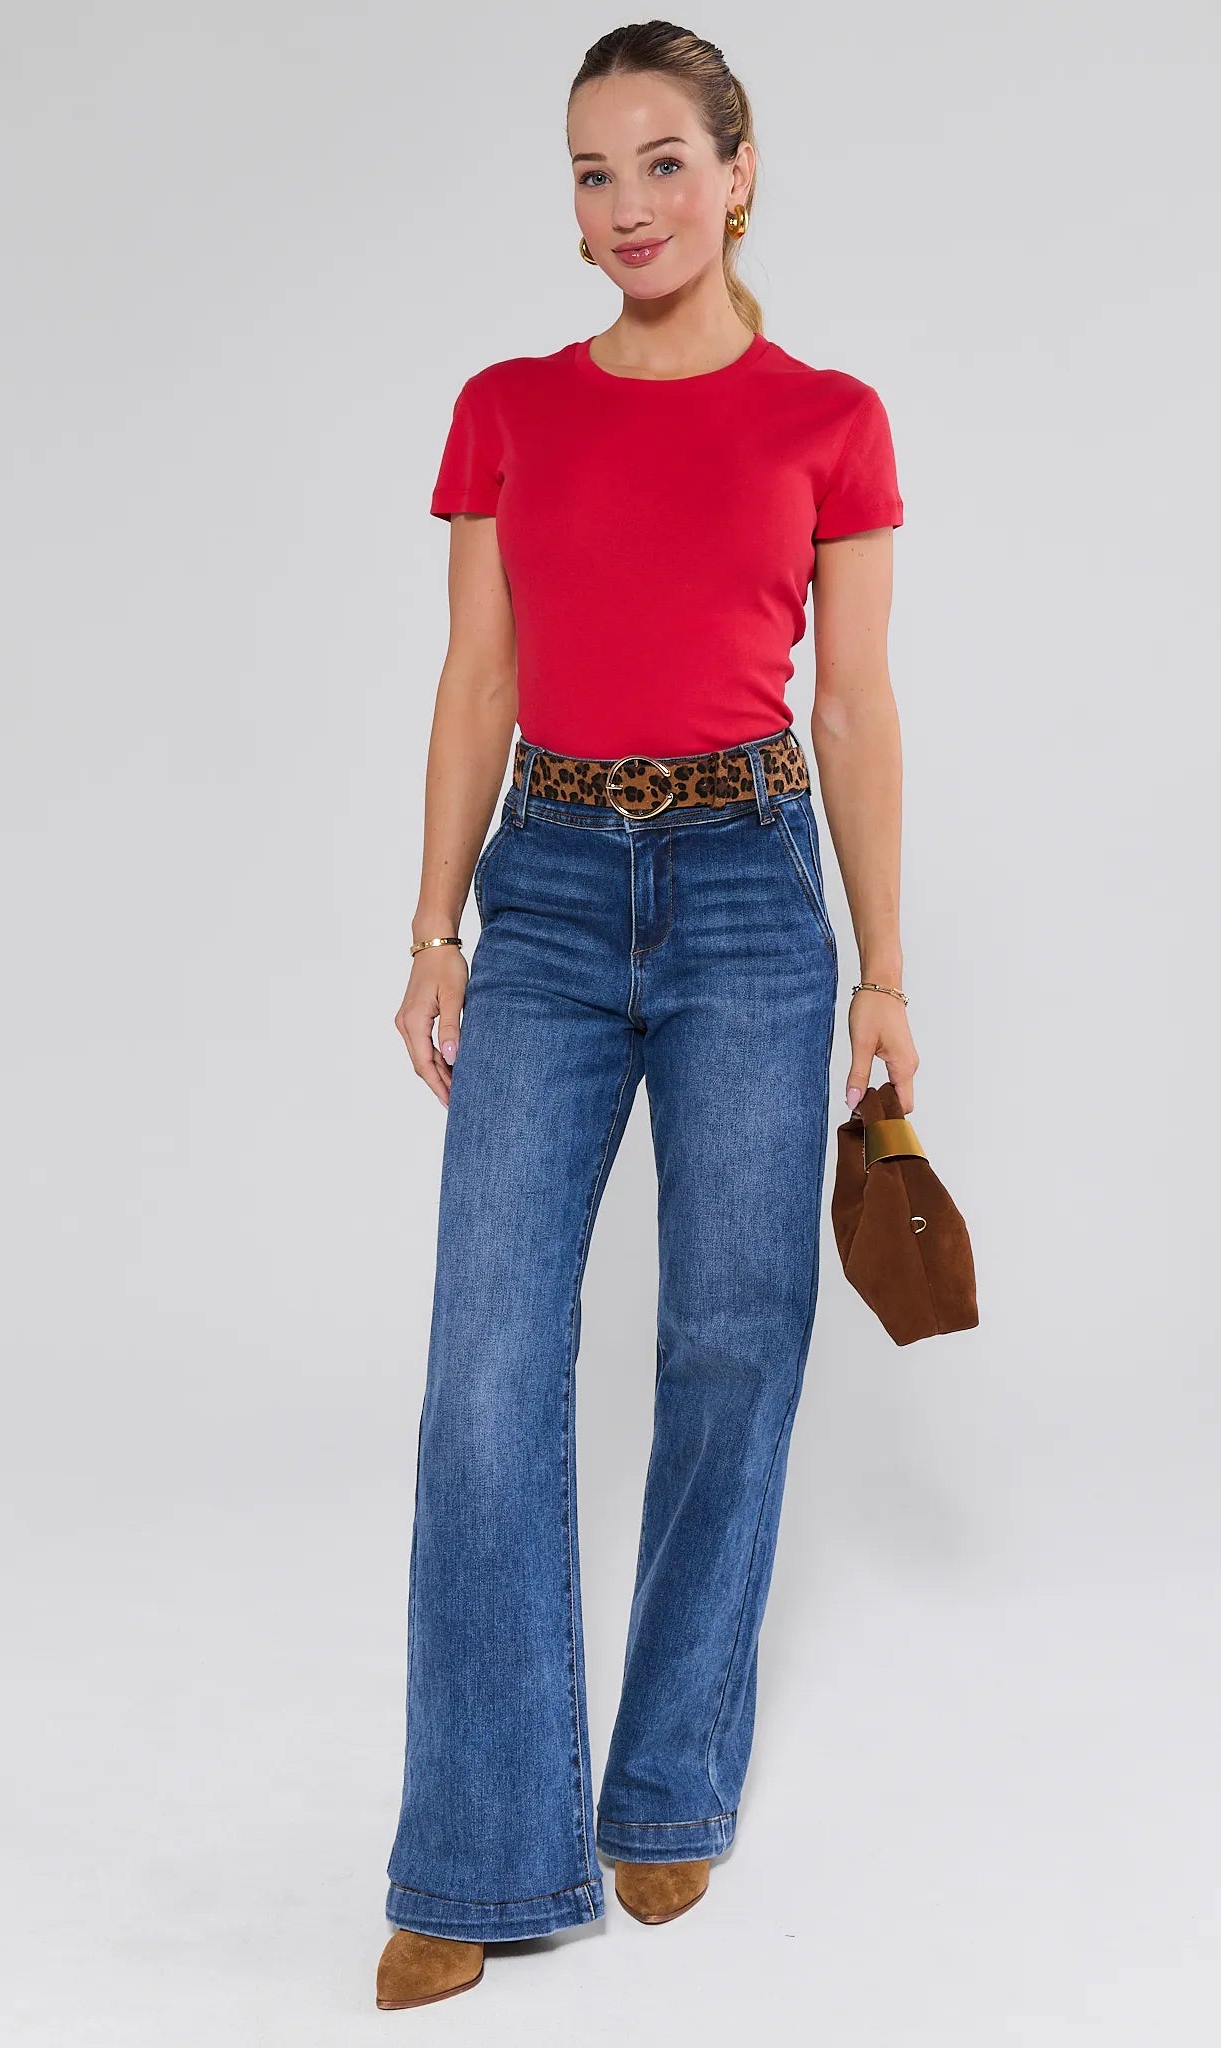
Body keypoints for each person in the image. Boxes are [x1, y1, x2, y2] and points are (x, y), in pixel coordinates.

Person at [376, 21, 918, 2011]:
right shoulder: (508, 407)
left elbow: (849, 704)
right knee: (488, 1369)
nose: (628, 208)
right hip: (541, 892)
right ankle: (482, 1843)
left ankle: (668, 1776)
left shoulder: (826, 418)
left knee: (727, 1339)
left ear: (741, 169)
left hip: (753, 899)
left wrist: (879, 970)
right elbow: (472, 683)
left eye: (664, 164)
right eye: (594, 174)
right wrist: (432, 923)